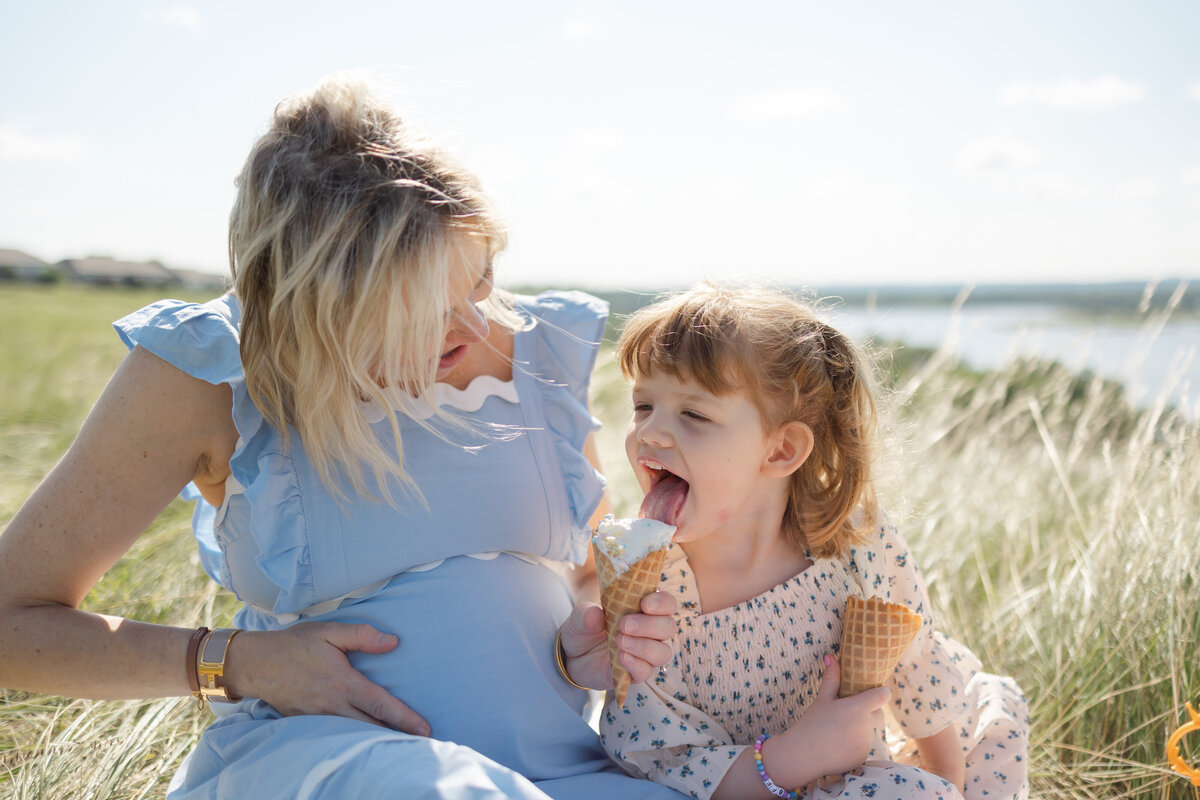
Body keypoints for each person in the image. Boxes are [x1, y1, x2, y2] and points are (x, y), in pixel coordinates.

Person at [0, 76, 687, 799]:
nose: (480, 328)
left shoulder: (545, 344)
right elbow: (10, 625)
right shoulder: (207, 370)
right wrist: (238, 662)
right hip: (328, 764)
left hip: (558, 769)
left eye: (480, 280)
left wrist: (598, 631)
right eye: (423, 311)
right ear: (315, 307)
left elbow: (581, 567)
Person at [598, 283, 1030, 800]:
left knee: (994, 713)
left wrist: (947, 783)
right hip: (750, 788)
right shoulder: (652, 592)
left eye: (694, 414)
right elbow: (666, 761)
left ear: (781, 450)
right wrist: (791, 757)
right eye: (643, 406)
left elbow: (916, 667)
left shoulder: (854, 541)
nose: (651, 433)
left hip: (869, 778)